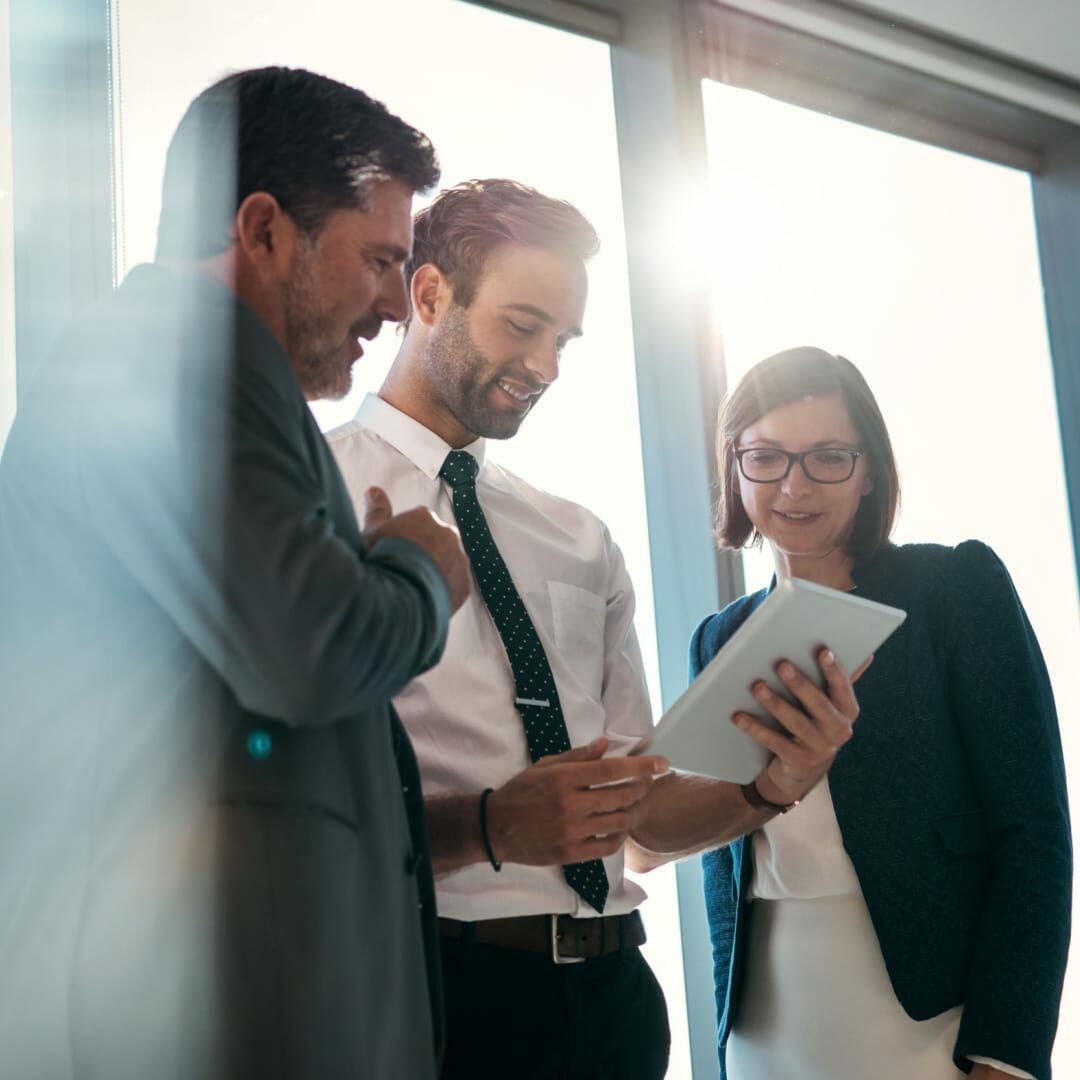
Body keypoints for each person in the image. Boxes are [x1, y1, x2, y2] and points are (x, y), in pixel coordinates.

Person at [328, 180, 859, 1079]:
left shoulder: (578, 538)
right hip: (438, 991)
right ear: (428, 297)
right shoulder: (315, 495)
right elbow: (289, 803)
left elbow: (640, 811)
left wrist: (771, 788)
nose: (546, 366)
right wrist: (491, 825)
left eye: (564, 340)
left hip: (616, 1000)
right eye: (522, 324)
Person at [0, 67, 471, 1080]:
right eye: (381, 259)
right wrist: (417, 570)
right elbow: (313, 647)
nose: (397, 305)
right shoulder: (170, 357)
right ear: (263, 228)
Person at [692, 346, 1071, 1080]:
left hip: (932, 1020)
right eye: (766, 456)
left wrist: (1007, 1054)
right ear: (734, 468)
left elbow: (1034, 837)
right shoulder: (718, 638)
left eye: (828, 456)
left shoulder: (952, 589)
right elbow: (723, 867)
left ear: (868, 471)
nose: (795, 485)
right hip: (767, 1021)